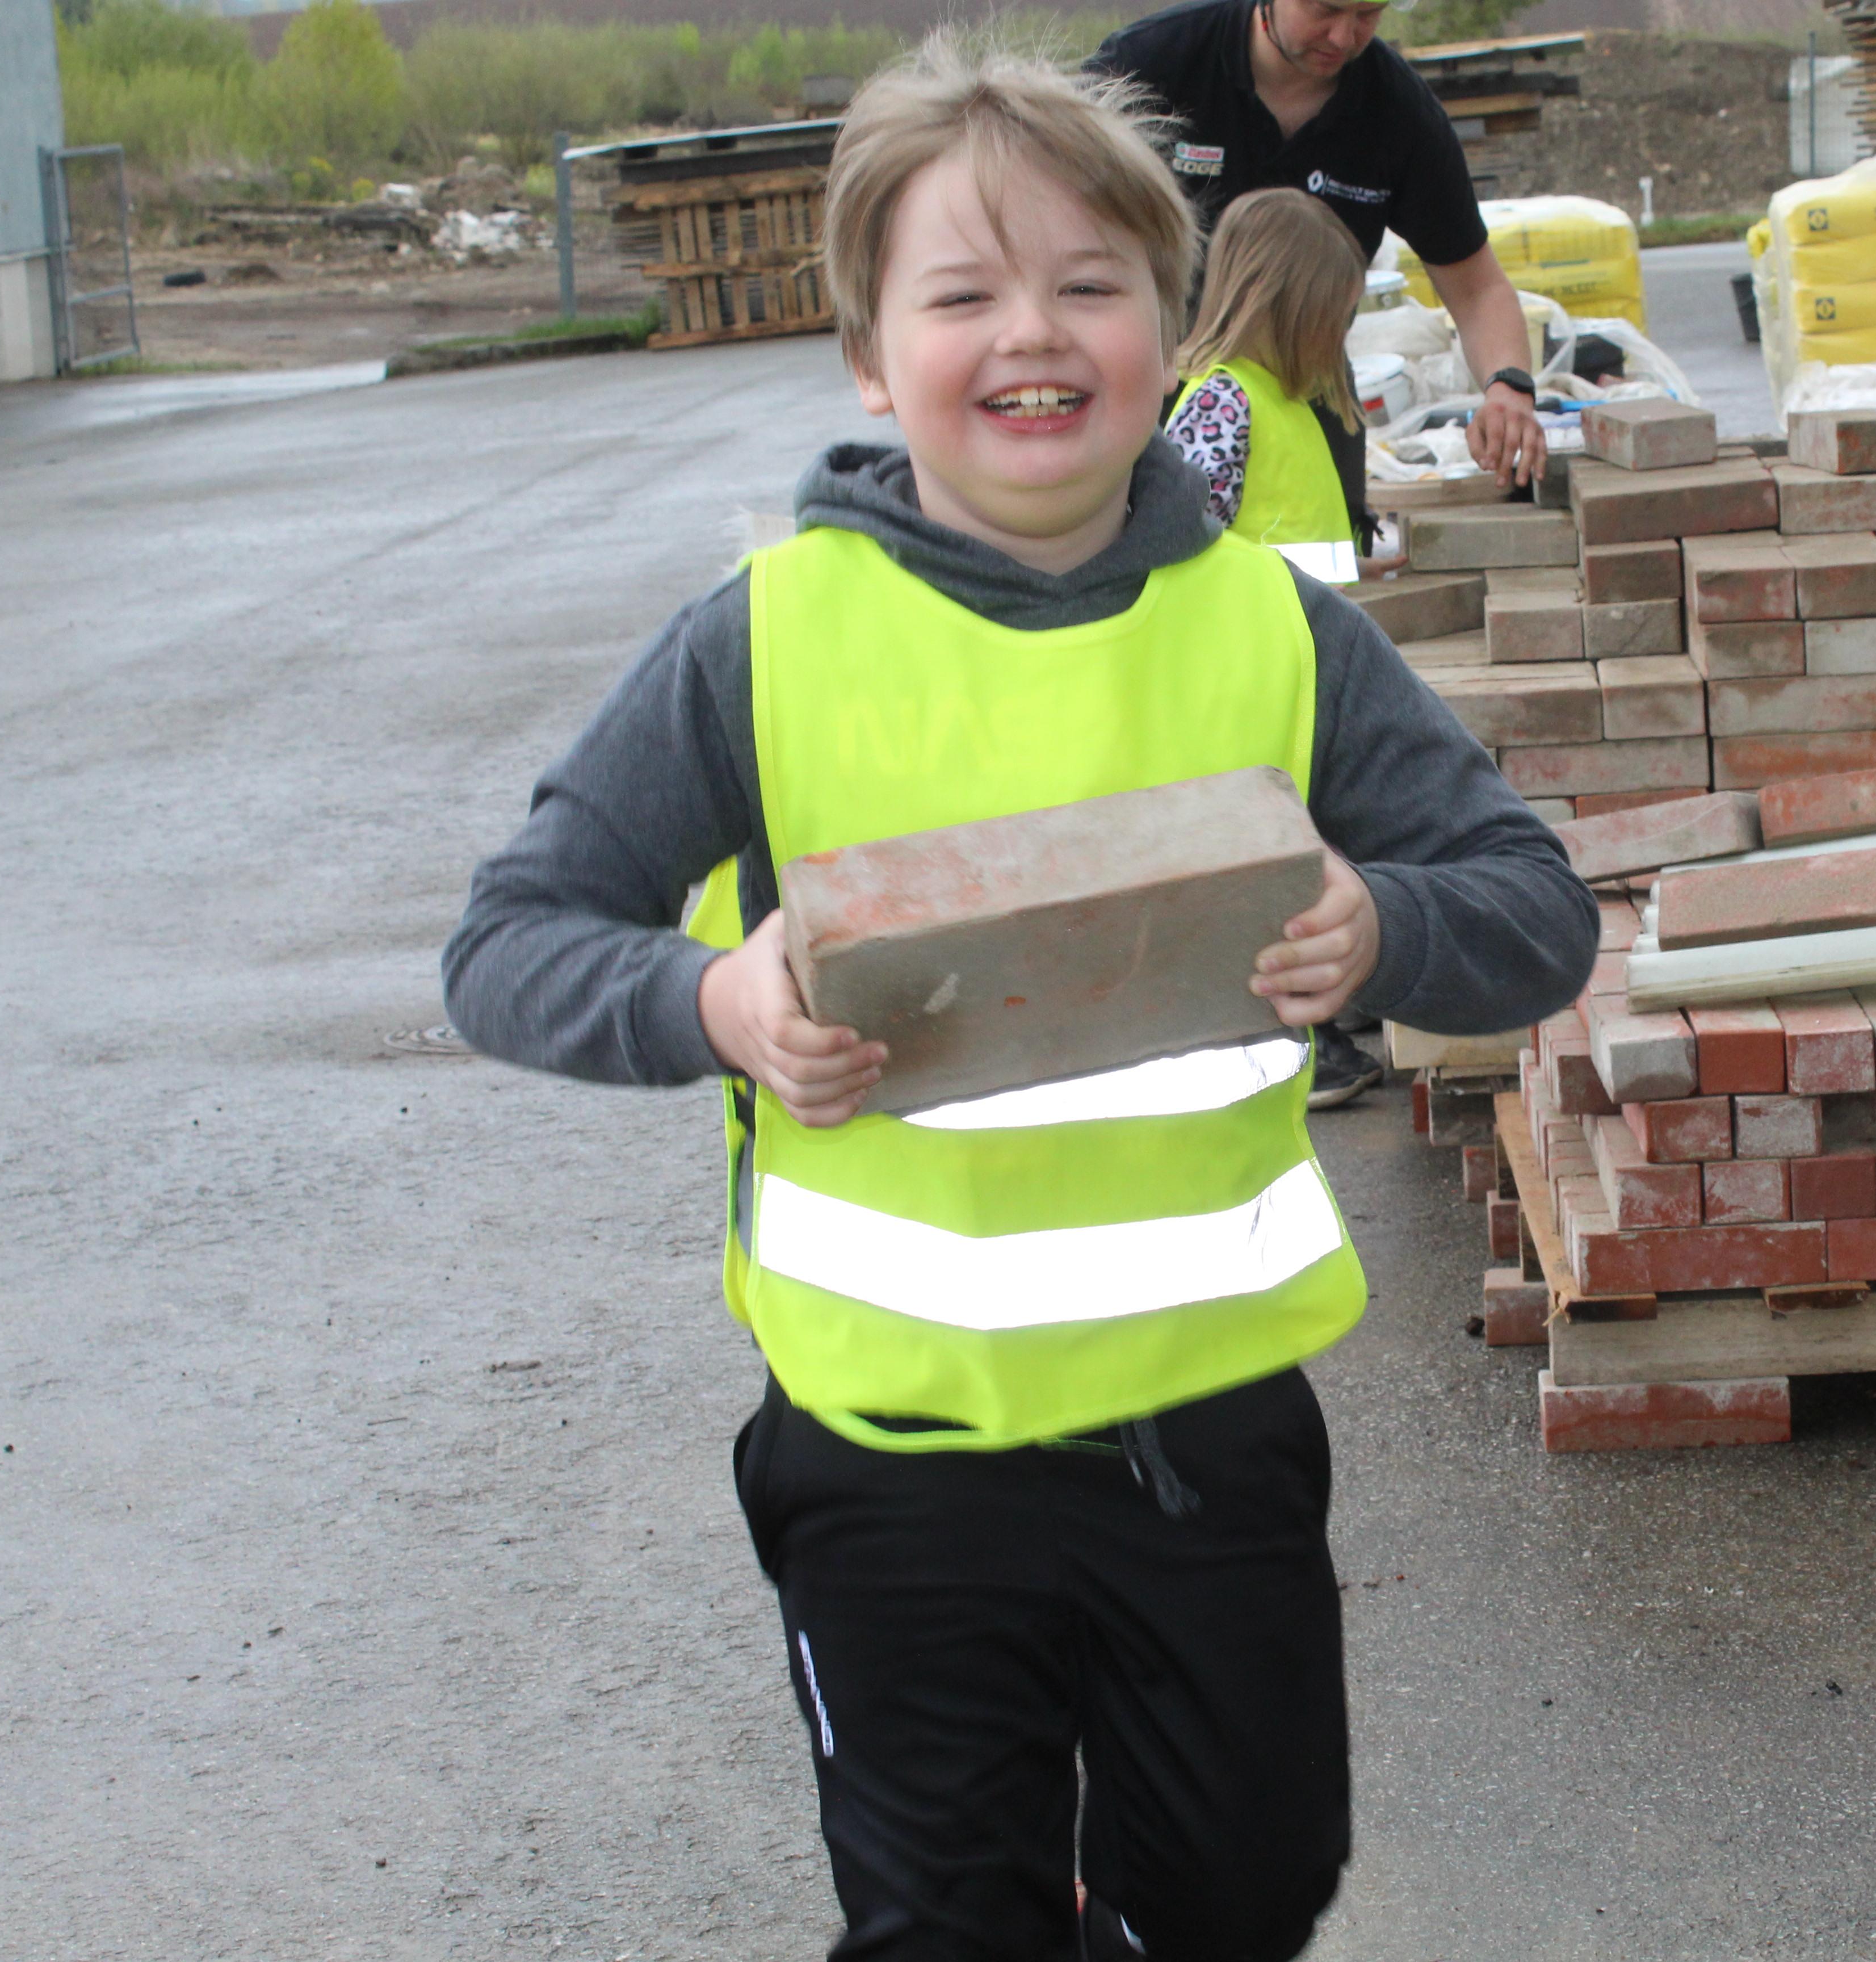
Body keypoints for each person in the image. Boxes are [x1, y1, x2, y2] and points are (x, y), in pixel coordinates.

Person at [439, 36, 1596, 1961]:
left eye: (1087, 283)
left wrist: (1380, 927)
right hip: (892, 1453)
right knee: (947, 1921)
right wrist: (716, 1001)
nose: (1033, 334)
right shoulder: (766, 642)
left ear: (1170, 326)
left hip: (1202, 1430)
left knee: (1240, 1885)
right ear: (870, 356)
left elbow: (1535, 912)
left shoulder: (1274, 631)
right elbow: (509, 944)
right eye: (962, 294)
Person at [1090, 0, 1551, 492]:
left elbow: (1478, 289)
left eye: (1367, 15)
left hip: (1312, 401)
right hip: (1145, 398)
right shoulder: (1148, 67)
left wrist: (1509, 387)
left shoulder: (1398, 112)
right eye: (1325, 9)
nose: (1343, 37)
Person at [1165, 186, 1374, 587]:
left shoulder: (1285, 402)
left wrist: (1347, 566)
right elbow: (1186, 547)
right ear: (1284, 312)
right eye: (1332, 319)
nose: (1338, 337)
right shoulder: (1223, 404)